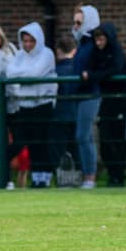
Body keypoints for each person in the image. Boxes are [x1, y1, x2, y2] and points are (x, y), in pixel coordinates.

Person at [5, 23, 57, 188]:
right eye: (25, 41)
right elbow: (9, 73)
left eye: (31, 41)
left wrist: (22, 75)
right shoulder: (19, 55)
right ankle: (35, 178)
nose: (27, 44)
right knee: (31, 143)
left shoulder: (47, 54)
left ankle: (44, 178)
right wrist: (27, 74)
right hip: (24, 103)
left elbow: (36, 74)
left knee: (42, 141)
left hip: (43, 103)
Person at [83, 23, 126, 187]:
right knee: (105, 138)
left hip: (120, 100)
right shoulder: (95, 53)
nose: (99, 43)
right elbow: (90, 69)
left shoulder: (116, 51)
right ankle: (112, 173)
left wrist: (93, 75)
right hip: (105, 100)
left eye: (101, 39)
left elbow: (114, 70)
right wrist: (93, 74)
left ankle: (119, 175)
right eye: (96, 39)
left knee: (119, 138)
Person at [72, 5, 102, 188]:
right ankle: (87, 175)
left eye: (79, 22)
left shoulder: (92, 45)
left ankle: (90, 176)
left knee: (83, 135)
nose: (75, 26)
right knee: (84, 136)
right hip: (80, 93)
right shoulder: (83, 44)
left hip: (90, 93)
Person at [50, 33, 80, 177]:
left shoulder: (54, 72)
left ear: (58, 51)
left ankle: (58, 176)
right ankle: (80, 175)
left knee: (57, 149)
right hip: (77, 114)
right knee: (77, 148)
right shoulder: (79, 71)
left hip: (58, 115)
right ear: (74, 51)